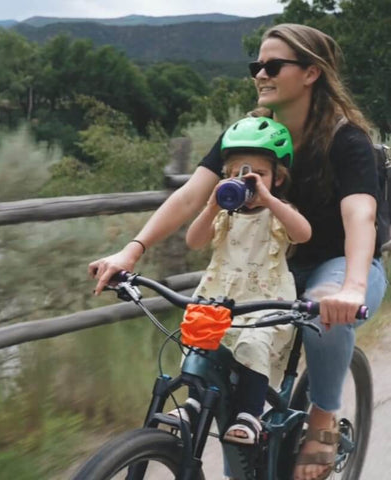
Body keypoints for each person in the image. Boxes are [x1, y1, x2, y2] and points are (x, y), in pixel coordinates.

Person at [89, 23, 387, 480]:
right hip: (266, 272)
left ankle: (323, 418)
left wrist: (349, 287)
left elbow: (360, 215)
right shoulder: (247, 134)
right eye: (256, 66)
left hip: (340, 262)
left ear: (311, 74)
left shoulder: (346, 141)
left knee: (326, 319)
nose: (260, 74)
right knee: (226, 375)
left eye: (272, 65)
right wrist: (132, 251)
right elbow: (192, 196)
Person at [169, 116, 311, 445]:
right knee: (198, 341)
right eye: (235, 174)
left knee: (253, 344)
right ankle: (193, 402)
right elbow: (194, 240)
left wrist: (269, 200)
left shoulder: (277, 212)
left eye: (257, 174)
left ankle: (250, 414)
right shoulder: (223, 216)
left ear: (277, 178)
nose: (245, 181)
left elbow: (302, 233)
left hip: (262, 303)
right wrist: (211, 206)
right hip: (219, 299)